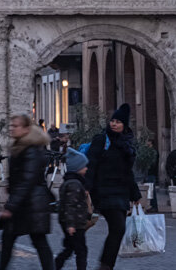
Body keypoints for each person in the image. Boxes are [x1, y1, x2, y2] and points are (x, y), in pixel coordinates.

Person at [84, 104, 141, 270]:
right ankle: (105, 266)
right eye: (112, 121)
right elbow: (91, 163)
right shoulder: (101, 140)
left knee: (118, 231)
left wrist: (135, 194)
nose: (114, 124)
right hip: (104, 191)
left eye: (118, 121)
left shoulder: (126, 145)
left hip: (121, 193)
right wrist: (87, 186)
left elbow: (127, 172)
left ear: (124, 125)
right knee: (118, 228)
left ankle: (107, 265)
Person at [0, 114, 54, 270]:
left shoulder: (31, 150)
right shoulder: (20, 146)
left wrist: (10, 206)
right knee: (9, 238)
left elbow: (27, 181)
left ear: (26, 129)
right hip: (26, 203)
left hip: (32, 203)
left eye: (16, 126)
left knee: (38, 241)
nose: (12, 128)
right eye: (11, 125)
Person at [54, 148, 91, 270]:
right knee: (81, 250)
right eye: (84, 166)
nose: (86, 168)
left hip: (73, 222)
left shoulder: (72, 182)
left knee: (70, 248)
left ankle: (55, 265)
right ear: (77, 168)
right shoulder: (74, 184)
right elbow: (70, 206)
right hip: (74, 224)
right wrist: (71, 225)